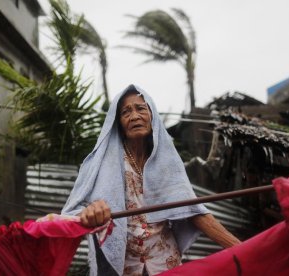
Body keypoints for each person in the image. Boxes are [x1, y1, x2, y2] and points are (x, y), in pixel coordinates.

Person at [61, 85, 240, 275]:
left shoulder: (166, 162)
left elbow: (193, 210)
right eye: (126, 112)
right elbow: (71, 212)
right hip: (123, 268)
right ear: (118, 123)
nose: (135, 116)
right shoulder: (98, 165)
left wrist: (240, 248)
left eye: (141, 108)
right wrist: (89, 212)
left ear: (152, 115)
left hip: (165, 262)